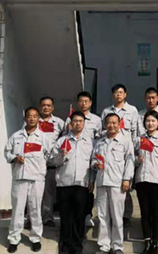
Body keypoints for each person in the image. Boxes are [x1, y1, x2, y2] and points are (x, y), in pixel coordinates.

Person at [4, 107, 51, 253]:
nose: (32, 118)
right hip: (20, 178)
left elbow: (49, 154)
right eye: (29, 116)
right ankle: (14, 239)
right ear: (25, 118)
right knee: (18, 210)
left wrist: (39, 167)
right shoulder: (16, 136)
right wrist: (14, 158)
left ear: (38, 119)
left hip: (36, 179)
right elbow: (7, 152)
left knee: (35, 209)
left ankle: (35, 238)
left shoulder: (43, 137)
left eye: (35, 116)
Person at [51, 111, 95, 254]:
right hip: (64, 183)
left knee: (79, 216)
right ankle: (65, 245)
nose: (78, 124)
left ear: (84, 123)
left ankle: (77, 246)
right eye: (75, 121)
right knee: (65, 216)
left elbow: (93, 162)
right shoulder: (62, 141)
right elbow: (52, 161)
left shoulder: (90, 142)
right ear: (70, 123)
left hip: (82, 184)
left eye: (80, 121)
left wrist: (92, 180)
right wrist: (61, 155)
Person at [92, 113, 135, 254]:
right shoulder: (100, 142)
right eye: (109, 123)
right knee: (103, 215)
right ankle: (104, 246)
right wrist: (95, 164)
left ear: (119, 124)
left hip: (117, 183)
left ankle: (117, 246)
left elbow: (130, 161)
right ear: (105, 125)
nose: (111, 125)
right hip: (102, 182)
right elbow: (93, 159)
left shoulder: (125, 141)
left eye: (114, 123)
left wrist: (126, 179)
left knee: (117, 216)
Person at [100, 84, 139, 224]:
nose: (118, 95)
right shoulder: (106, 111)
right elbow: (102, 130)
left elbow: (135, 131)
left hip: (126, 149)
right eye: (116, 92)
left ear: (125, 94)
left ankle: (126, 215)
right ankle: (112, 215)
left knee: (125, 186)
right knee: (110, 187)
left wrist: (134, 150)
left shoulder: (132, 110)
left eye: (121, 92)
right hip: (111, 148)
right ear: (113, 95)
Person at [134, 110, 158, 254]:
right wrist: (138, 160)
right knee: (144, 212)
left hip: (156, 180)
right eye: (148, 121)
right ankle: (147, 241)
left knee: (155, 212)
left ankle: (155, 243)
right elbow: (132, 159)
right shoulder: (139, 140)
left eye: (153, 121)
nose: (150, 123)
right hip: (141, 179)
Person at [72, 91, 102, 228]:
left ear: (90, 103)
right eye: (81, 101)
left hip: (90, 156)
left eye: (86, 101)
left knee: (89, 188)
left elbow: (99, 138)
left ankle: (88, 214)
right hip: (75, 157)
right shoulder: (71, 119)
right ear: (78, 103)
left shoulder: (96, 120)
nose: (83, 104)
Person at [38, 96, 65, 227]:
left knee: (49, 192)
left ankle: (47, 217)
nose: (46, 107)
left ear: (53, 108)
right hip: (36, 163)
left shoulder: (59, 122)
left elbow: (65, 138)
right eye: (43, 105)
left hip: (51, 163)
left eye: (49, 105)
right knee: (34, 192)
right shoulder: (34, 121)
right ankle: (32, 218)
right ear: (40, 107)